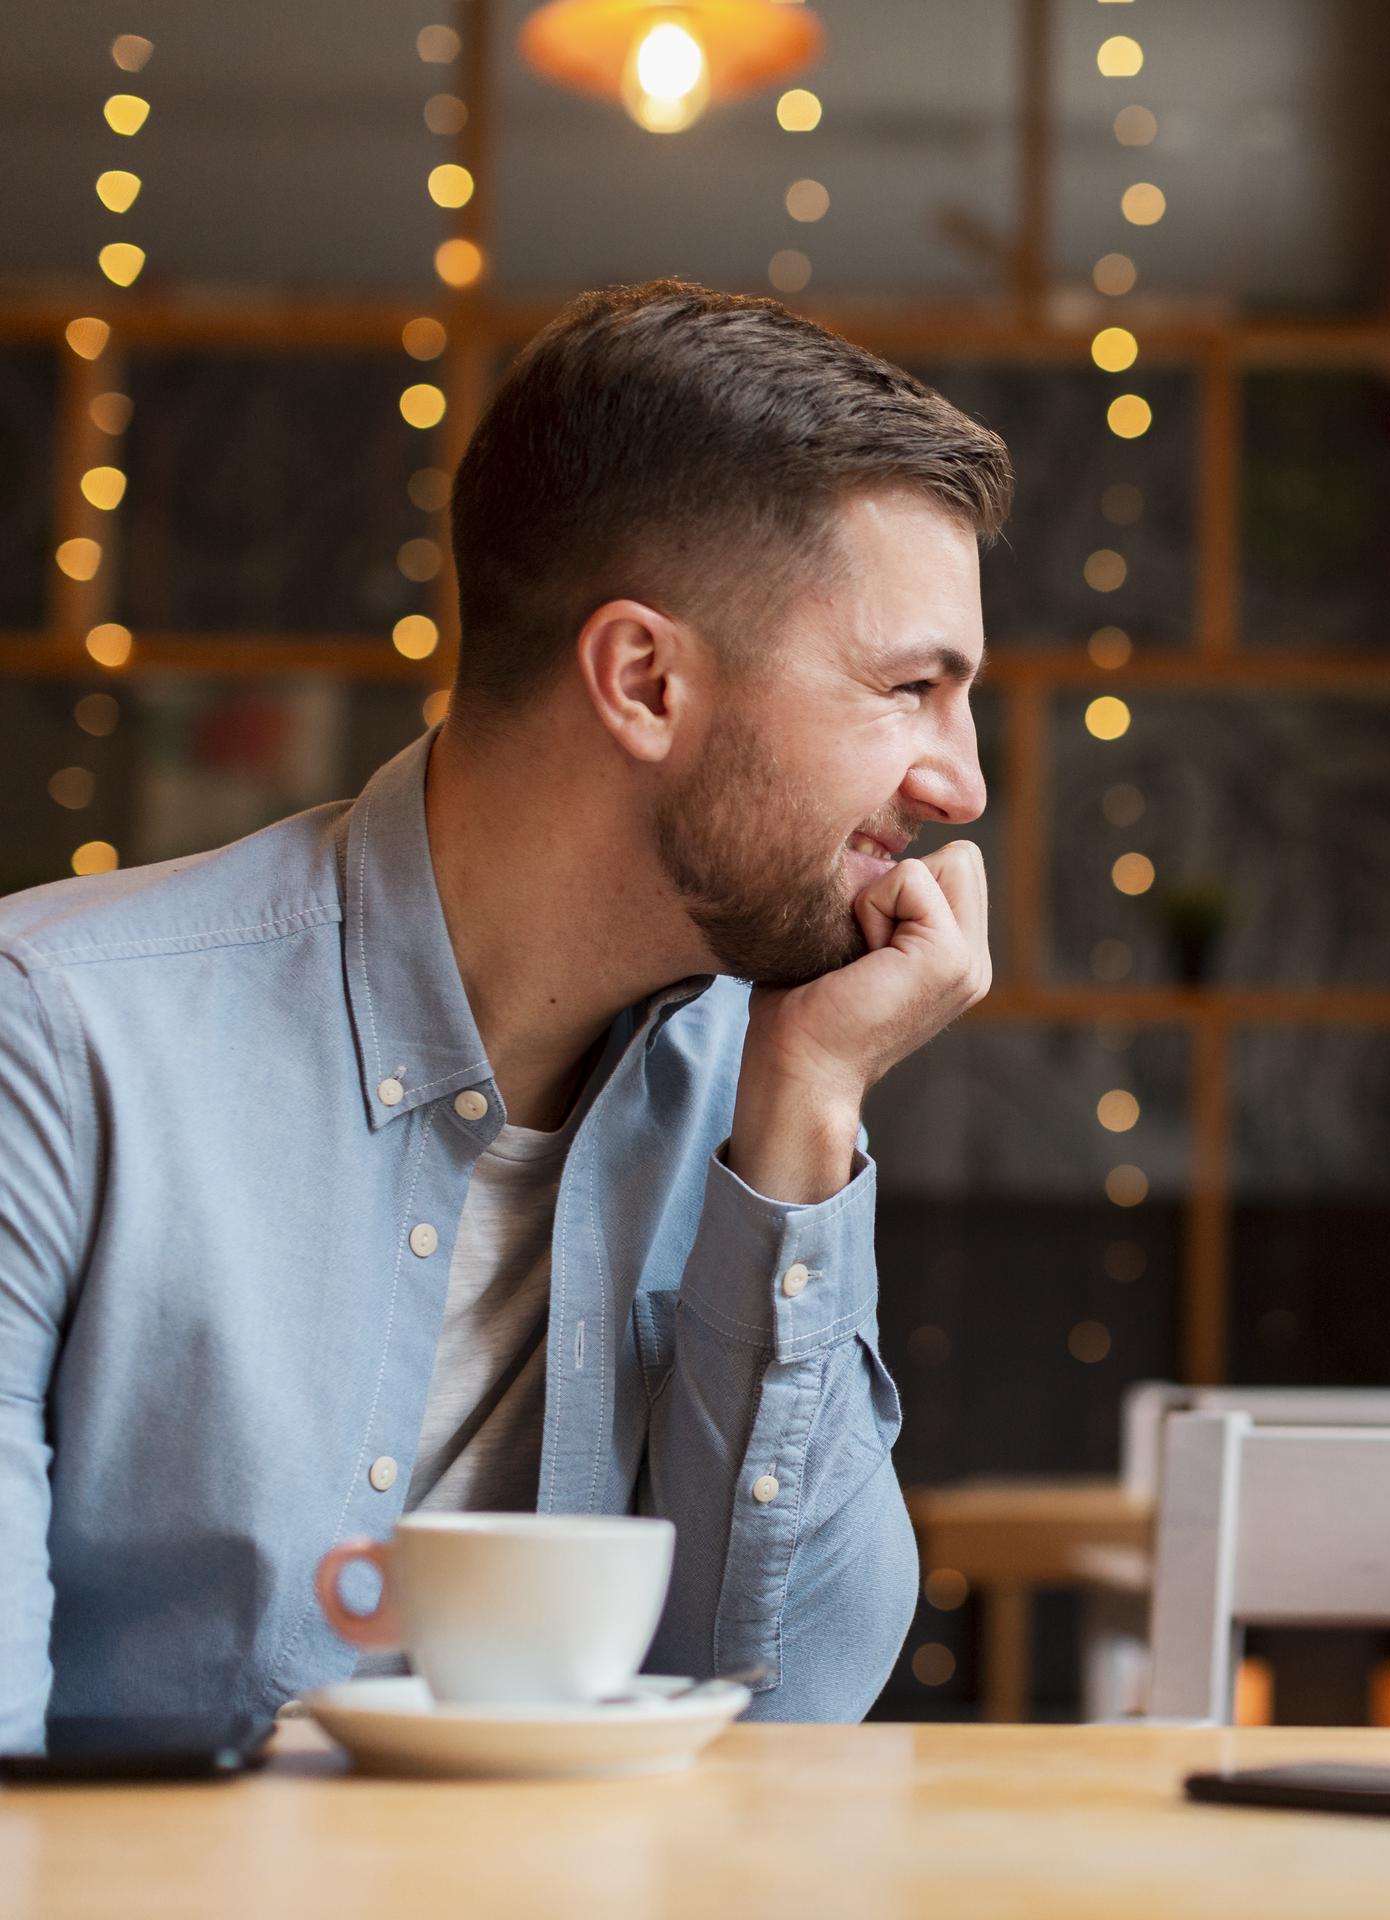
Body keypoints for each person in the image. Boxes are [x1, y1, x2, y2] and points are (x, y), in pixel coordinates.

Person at [0, 280, 1011, 1745]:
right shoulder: (53, 1037)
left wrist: (804, 1123)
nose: (961, 786)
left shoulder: (754, 1079)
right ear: (645, 680)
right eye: (912, 687)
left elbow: (788, 1716)